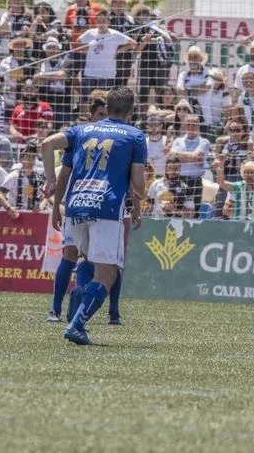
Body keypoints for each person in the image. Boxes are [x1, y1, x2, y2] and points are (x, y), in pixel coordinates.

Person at [41, 87, 146, 345]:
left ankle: (77, 301)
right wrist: (140, 195)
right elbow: (138, 182)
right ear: (131, 111)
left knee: (86, 260)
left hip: (76, 205)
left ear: (106, 109)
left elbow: (47, 143)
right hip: (106, 207)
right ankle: (77, 324)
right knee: (107, 275)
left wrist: (51, 180)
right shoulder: (135, 136)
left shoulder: (81, 130)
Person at [0, 141, 45, 218]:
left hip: (32, 218)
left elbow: (45, 197)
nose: (29, 161)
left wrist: (40, 207)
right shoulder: (14, 175)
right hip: (14, 216)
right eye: (27, 157)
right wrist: (8, 208)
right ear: (22, 159)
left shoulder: (37, 178)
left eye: (32, 157)